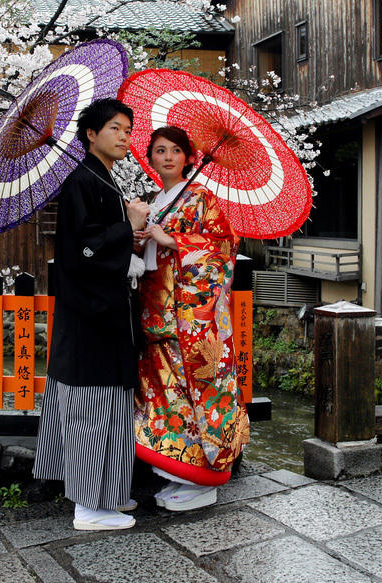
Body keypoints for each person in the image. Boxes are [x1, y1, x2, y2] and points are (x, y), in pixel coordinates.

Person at [33, 98, 150, 531]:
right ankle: (88, 506)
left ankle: (108, 495)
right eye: (116, 128)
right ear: (90, 135)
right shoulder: (80, 181)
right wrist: (127, 226)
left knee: (110, 407)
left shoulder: (102, 179)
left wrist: (129, 234)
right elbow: (79, 252)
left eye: (127, 129)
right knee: (91, 409)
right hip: (91, 319)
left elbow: (103, 244)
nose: (125, 136)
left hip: (105, 316)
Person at [132, 125, 249, 511]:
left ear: (188, 158)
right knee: (166, 399)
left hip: (189, 323)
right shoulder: (155, 201)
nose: (167, 157)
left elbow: (222, 247)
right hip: (155, 318)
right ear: (149, 159)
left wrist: (175, 241)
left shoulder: (201, 198)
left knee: (197, 395)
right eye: (159, 150)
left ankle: (206, 479)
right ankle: (181, 472)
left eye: (175, 151)